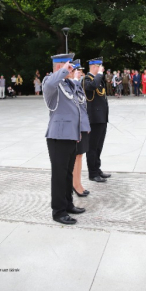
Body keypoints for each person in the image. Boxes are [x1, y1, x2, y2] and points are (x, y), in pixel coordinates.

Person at [42, 53, 85, 225]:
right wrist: (62, 71)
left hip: (71, 136)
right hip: (58, 137)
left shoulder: (67, 84)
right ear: (60, 66)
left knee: (67, 174)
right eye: (69, 65)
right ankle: (58, 212)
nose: (72, 69)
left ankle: (68, 204)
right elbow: (51, 83)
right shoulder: (50, 82)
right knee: (59, 176)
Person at [82, 57, 110, 182]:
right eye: (99, 67)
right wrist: (99, 74)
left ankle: (97, 168)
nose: (101, 69)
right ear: (94, 67)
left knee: (99, 146)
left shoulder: (98, 79)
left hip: (102, 118)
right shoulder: (86, 79)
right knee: (92, 147)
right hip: (93, 119)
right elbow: (92, 87)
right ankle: (92, 173)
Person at [71, 59, 91, 197]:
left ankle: (78, 183)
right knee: (75, 157)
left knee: (79, 156)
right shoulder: (70, 86)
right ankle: (75, 184)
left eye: (80, 70)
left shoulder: (77, 85)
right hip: (75, 128)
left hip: (82, 126)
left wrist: (86, 125)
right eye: (76, 70)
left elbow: (83, 108)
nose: (79, 73)